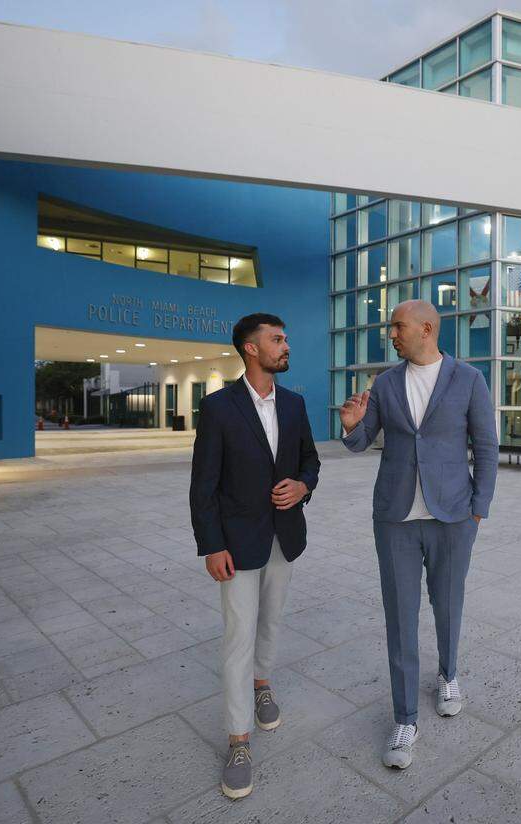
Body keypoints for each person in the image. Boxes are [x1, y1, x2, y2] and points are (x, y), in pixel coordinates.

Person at [340, 299, 498, 770]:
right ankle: (405, 717)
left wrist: (478, 510)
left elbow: (486, 446)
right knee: (400, 616)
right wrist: (350, 427)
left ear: (427, 328)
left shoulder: (468, 379)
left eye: (398, 326)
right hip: (395, 519)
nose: (391, 333)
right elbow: (360, 439)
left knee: (448, 604)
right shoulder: (385, 382)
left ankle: (448, 675)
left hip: (452, 516)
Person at [190, 312, 320, 800]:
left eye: (285, 338)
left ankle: (262, 684)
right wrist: (212, 544)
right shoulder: (219, 407)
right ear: (250, 348)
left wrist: (303, 484)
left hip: (284, 536)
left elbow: (311, 459)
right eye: (277, 339)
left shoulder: (295, 404)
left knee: (271, 623)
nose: (286, 346)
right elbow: (203, 484)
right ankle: (239, 740)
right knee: (238, 635)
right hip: (236, 543)